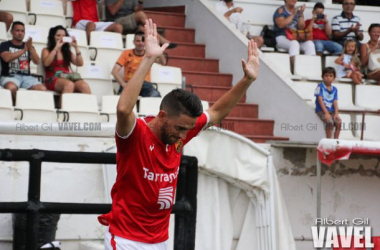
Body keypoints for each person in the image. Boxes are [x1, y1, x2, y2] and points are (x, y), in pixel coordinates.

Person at [98, 19, 259, 249]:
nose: (184, 136)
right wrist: (149, 58)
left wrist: (247, 80)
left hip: (160, 241)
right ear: (162, 116)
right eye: (180, 129)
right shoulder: (136, 134)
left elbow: (216, 113)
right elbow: (124, 109)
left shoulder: (181, 128)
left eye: (187, 129)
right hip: (126, 240)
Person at [0, 21, 46, 104]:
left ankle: (28, 109)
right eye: (17, 30)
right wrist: (24, 50)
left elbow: (37, 61)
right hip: (10, 76)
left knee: (42, 89)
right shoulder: (4, 45)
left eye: (22, 31)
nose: (20, 33)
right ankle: (16, 109)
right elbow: (7, 58)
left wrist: (30, 48)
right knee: (11, 87)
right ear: (11, 32)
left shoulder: (29, 46)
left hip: (27, 77)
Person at [104, 0, 177, 48]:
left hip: (129, 22)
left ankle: (157, 45)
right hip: (115, 22)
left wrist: (140, 3)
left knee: (143, 28)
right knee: (140, 15)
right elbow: (112, 11)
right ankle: (161, 40)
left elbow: (137, 11)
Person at [111, 32, 165, 96]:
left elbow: (163, 62)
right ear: (133, 42)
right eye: (138, 41)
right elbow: (114, 71)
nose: (140, 43)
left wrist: (159, 49)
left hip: (145, 84)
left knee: (155, 95)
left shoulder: (149, 54)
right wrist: (123, 84)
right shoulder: (126, 53)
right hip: (129, 82)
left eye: (143, 41)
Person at [41, 25, 91, 95]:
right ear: (53, 37)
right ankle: (64, 106)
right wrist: (56, 48)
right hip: (53, 78)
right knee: (69, 85)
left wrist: (76, 47)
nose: (61, 38)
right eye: (58, 35)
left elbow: (80, 63)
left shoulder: (67, 52)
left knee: (84, 86)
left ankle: (87, 106)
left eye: (63, 36)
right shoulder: (46, 50)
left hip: (67, 77)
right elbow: (46, 63)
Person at [273, 0, 316, 68]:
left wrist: (301, 14)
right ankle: (295, 69)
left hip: (295, 37)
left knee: (310, 44)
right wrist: (293, 14)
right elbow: (281, 25)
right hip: (282, 36)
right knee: (294, 43)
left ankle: (309, 69)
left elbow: (301, 28)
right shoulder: (281, 10)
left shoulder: (298, 12)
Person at [315, 67, 341, 139]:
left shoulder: (335, 89)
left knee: (339, 122)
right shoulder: (319, 87)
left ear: (334, 78)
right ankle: (328, 141)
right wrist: (326, 113)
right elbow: (320, 100)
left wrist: (336, 113)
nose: (328, 78)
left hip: (331, 111)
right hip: (321, 111)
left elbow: (335, 102)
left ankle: (336, 141)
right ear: (322, 77)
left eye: (330, 76)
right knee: (330, 122)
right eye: (326, 76)